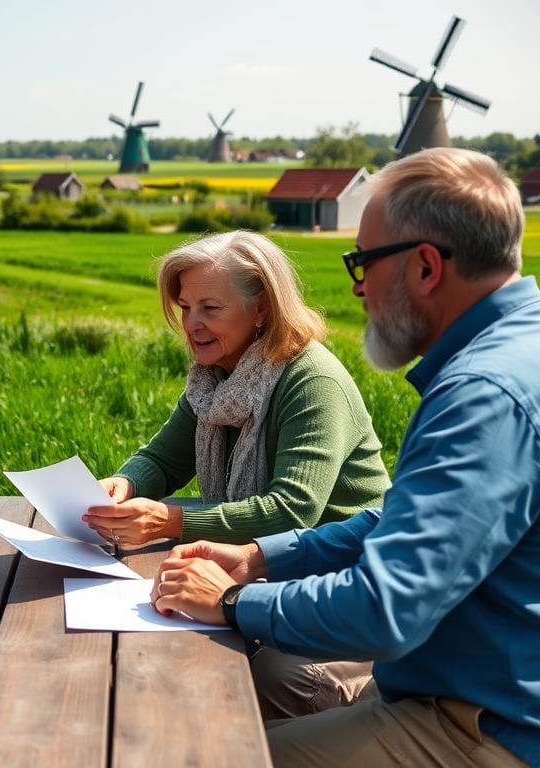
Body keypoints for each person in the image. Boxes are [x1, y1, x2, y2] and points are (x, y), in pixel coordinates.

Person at [152, 147, 538, 767]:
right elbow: (394, 522)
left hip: (486, 722)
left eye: (363, 261)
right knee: (255, 693)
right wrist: (256, 556)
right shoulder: (515, 349)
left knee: (209, 754)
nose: (357, 285)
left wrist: (229, 601)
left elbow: (387, 609)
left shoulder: (483, 396)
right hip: (454, 681)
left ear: (426, 267)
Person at [84, 231, 391, 720]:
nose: (192, 324)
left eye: (210, 307)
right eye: (185, 308)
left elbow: (292, 510)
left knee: (246, 670)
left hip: (338, 586)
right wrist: (125, 484)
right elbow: (163, 460)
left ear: (263, 307)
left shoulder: (312, 380)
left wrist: (170, 520)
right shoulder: (214, 378)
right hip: (262, 571)